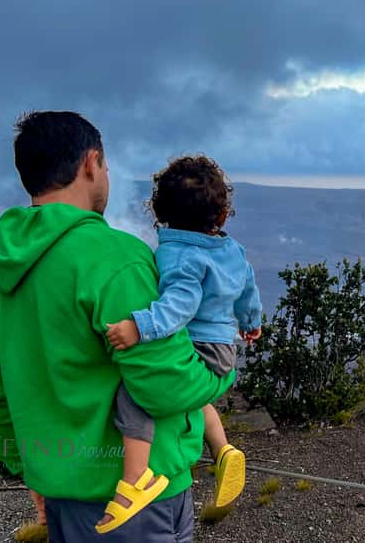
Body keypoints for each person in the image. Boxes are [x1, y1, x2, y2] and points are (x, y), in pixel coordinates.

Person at [0, 111, 232, 542]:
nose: (106, 176)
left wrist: (36, 469)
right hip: (136, 502)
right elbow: (165, 386)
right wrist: (223, 368)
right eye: (105, 166)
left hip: (63, 494)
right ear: (91, 163)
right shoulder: (116, 260)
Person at [100, 154, 262, 532]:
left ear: (159, 213)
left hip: (201, 347)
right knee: (195, 394)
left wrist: (138, 327)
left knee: (136, 393)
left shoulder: (179, 255)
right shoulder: (231, 250)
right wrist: (251, 323)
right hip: (223, 349)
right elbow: (248, 290)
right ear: (221, 216)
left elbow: (179, 305)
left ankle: (135, 479)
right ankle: (222, 450)